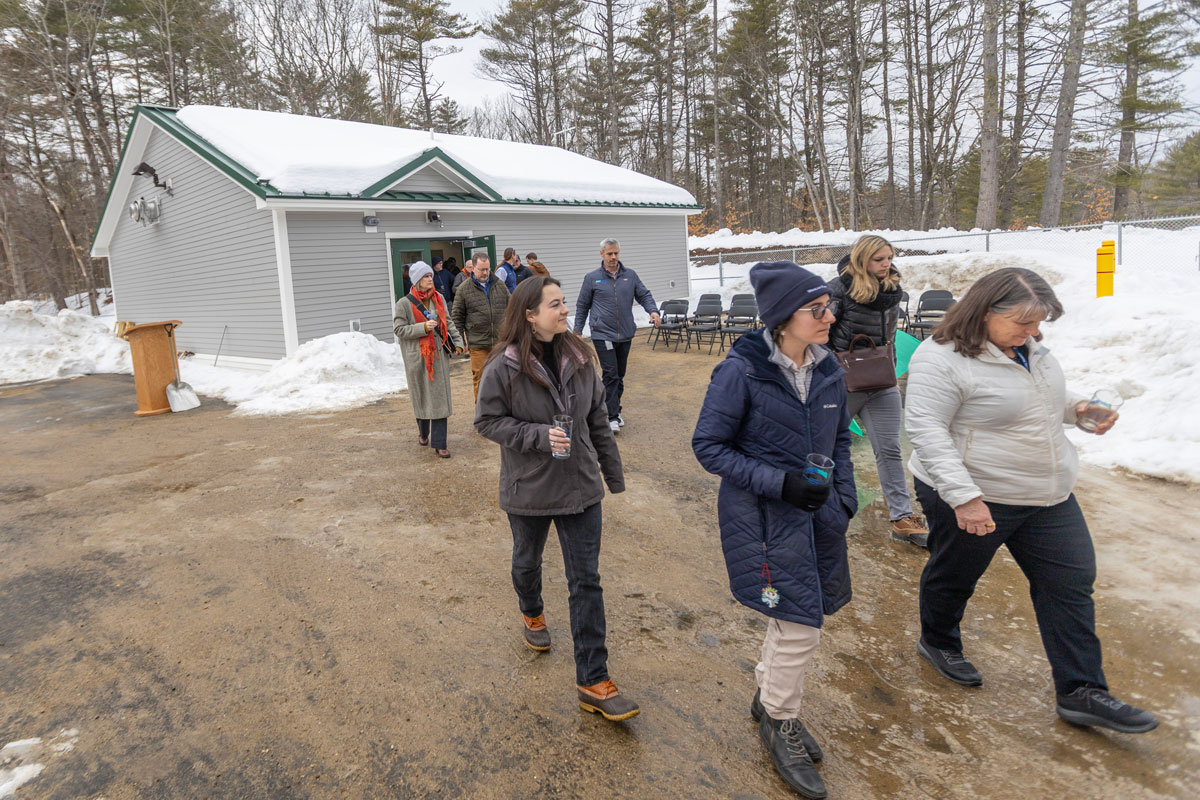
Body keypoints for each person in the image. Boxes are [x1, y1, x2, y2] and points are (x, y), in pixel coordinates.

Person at [905, 267, 1158, 734]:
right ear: (984, 312)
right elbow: (926, 430)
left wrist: (1078, 408)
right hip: (976, 493)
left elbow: (1036, 400)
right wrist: (964, 498)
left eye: (1038, 323)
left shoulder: (1029, 349)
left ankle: (1082, 691)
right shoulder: (939, 358)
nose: (1033, 332)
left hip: (1047, 494)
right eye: (1023, 322)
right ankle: (938, 640)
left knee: (1071, 584)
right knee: (955, 574)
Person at [692, 261, 856, 800]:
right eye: (817, 309)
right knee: (800, 623)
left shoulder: (829, 368)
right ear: (784, 319)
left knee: (794, 615)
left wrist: (845, 501)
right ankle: (780, 720)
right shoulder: (740, 373)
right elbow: (709, 448)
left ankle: (768, 699)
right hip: (763, 519)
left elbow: (838, 444)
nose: (829, 315)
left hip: (819, 516)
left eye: (827, 306)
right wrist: (779, 483)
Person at [475, 276, 637, 722]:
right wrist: (537, 436)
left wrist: (611, 474)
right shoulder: (503, 367)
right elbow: (486, 422)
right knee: (527, 561)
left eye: (565, 303)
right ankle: (532, 612)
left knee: (586, 580)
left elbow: (598, 419)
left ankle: (593, 679)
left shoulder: (581, 357)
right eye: (555, 305)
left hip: (581, 486)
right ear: (530, 315)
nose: (565, 311)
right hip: (528, 486)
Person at [827, 235, 928, 547]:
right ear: (862, 260)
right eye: (879, 259)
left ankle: (902, 517)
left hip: (881, 381)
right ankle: (813, 509)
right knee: (823, 448)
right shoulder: (838, 288)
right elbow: (821, 334)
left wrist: (891, 367)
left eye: (889, 258)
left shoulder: (891, 290)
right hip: (842, 382)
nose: (886, 265)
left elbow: (890, 334)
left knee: (889, 450)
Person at [573, 238, 661, 434]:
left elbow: (644, 295)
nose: (613, 257)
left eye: (616, 253)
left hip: (626, 333)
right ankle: (610, 416)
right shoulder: (592, 278)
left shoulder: (630, 275)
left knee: (619, 375)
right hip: (602, 333)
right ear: (602, 254)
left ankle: (614, 410)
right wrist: (577, 332)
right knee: (611, 374)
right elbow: (582, 306)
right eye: (609, 253)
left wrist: (653, 311)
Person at [393, 261, 464, 458]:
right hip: (417, 358)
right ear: (416, 281)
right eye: (426, 277)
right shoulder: (404, 304)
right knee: (423, 397)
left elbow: (448, 322)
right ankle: (423, 433)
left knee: (440, 399)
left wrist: (458, 341)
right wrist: (422, 328)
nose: (430, 279)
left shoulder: (439, 298)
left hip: (438, 357)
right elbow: (399, 330)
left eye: (431, 276)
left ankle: (440, 444)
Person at [451, 252, 510, 401]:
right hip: (478, 343)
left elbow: (512, 308)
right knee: (481, 380)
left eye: (487, 269)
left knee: (502, 379)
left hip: (500, 342)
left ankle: (501, 415)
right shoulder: (463, 289)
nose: (485, 273)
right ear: (473, 269)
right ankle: (483, 417)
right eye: (481, 269)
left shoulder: (500, 285)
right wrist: (460, 342)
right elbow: (457, 317)